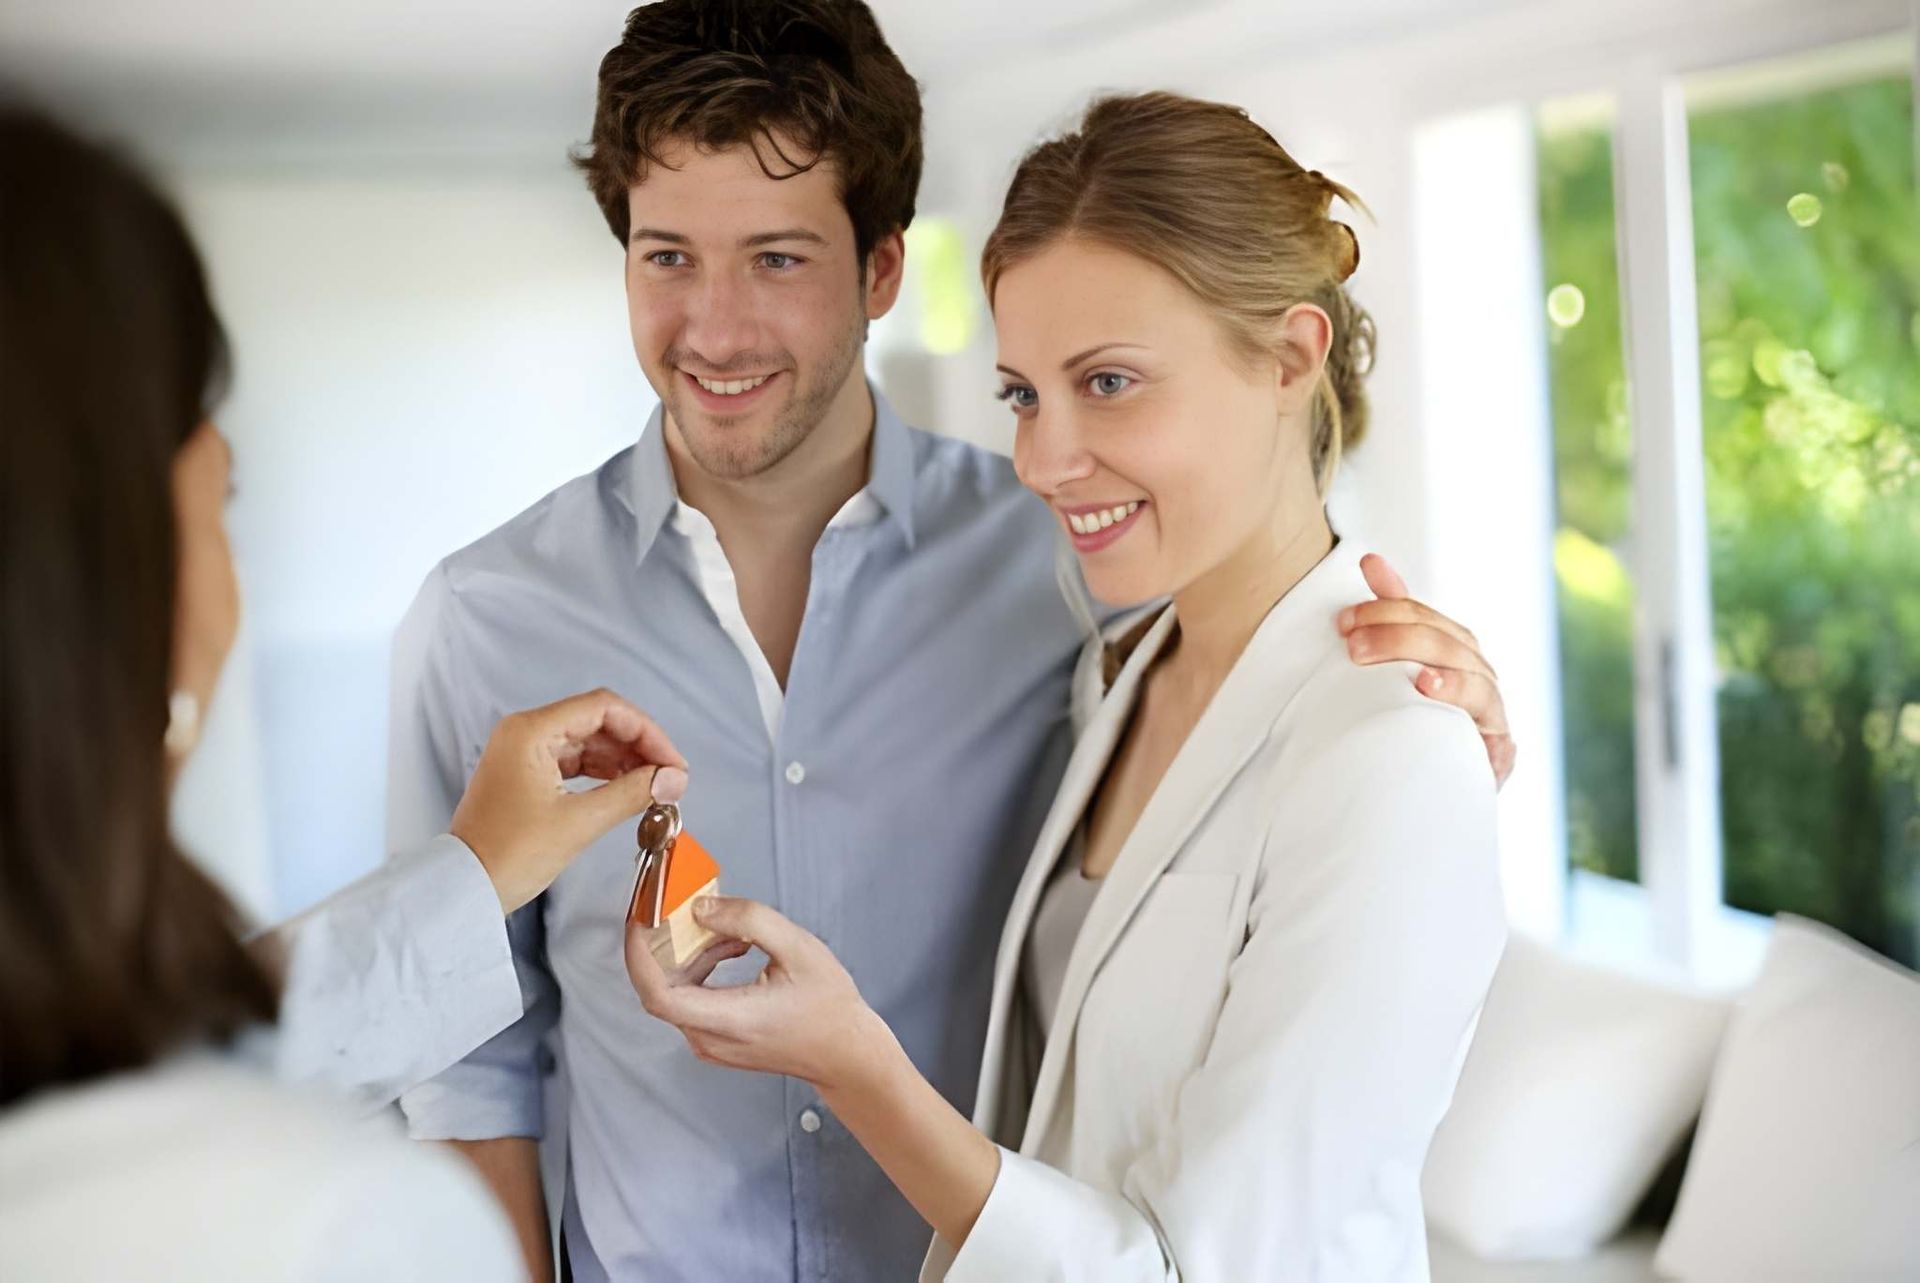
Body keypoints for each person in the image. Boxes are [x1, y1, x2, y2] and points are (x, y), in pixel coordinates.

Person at [392, 5, 1514, 1280]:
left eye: (774, 258)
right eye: (665, 257)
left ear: (880, 271)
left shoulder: (1062, 572)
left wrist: (1434, 718)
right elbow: (463, 1063)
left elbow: (1285, 651)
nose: (712, 326)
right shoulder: (483, 616)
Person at [0, 106, 687, 1280]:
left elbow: (212, 1045)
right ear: (122, 582)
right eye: (224, 496)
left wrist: (472, 871)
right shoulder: (338, 1231)